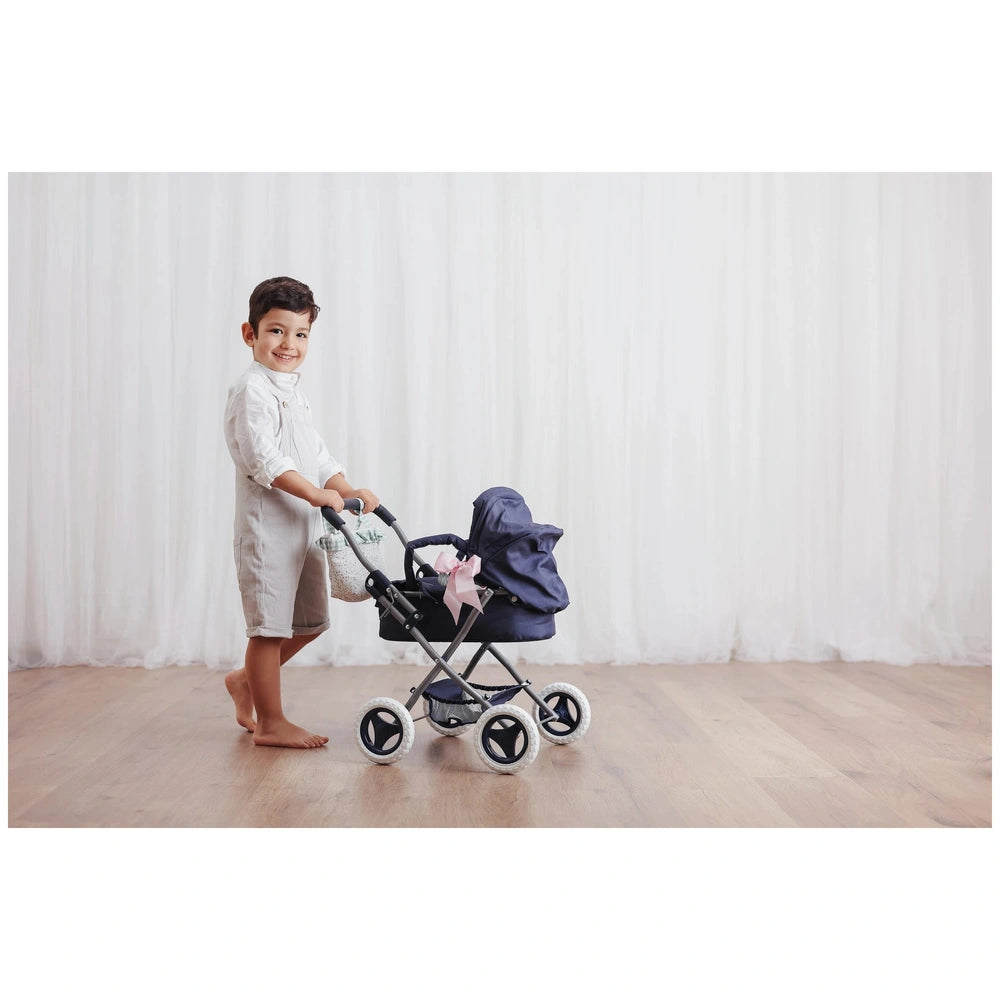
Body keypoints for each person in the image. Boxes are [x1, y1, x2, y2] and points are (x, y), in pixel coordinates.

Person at [223, 276, 379, 748]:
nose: (288, 344)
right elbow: (266, 461)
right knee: (269, 629)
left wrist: (344, 486)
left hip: (304, 530)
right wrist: (315, 494)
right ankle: (270, 722)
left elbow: (315, 453)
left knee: (310, 623)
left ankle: (245, 681)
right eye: (275, 331)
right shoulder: (252, 391)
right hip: (267, 532)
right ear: (250, 334)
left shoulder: (292, 389)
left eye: (300, 333)